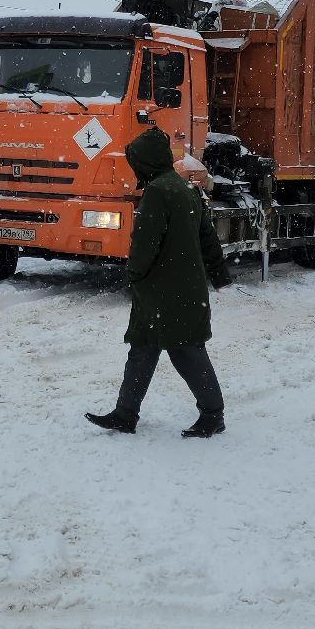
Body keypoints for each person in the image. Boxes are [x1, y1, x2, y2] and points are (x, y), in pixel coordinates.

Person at [86, 128, 234, 438]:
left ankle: (212, 414)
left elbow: (145, 243)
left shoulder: (157, 192)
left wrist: (134, 274)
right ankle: (125, 414)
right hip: (175, 288)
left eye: (135, 162)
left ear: (145, 162)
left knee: (185, 350)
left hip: (165, 290)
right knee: (143, 348)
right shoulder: (185, 188)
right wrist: (219, 274)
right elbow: (207, 236)